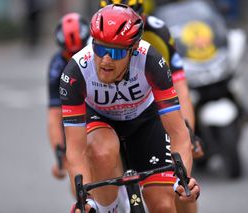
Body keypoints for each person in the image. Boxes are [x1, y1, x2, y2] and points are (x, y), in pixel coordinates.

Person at [60, 4, 200, 213]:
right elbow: (76, 150)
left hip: (145, 120)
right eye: (100, 49)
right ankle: (109, 209)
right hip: (101, 120)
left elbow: (179, 132)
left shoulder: (151, 61)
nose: (106, 60)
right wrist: (85, 200)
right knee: (101, 150)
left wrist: (182, 180)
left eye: (116, 53)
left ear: (133, 50)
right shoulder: (76, 71)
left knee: (163, 205)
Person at [98, 0, 204, 159]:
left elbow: (180, 88)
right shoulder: (92, 42)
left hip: (148, 106)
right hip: (107, 109)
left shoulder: (159, 31)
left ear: (143, 16)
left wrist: (189, 134)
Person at [47, 12, 90, 179]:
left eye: (80, 52)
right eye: (69, 55)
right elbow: (54, 114)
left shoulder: (99, 54)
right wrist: (60, 156)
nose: (75, 60)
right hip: (76, 114)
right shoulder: (56, 65)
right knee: (75, 177)